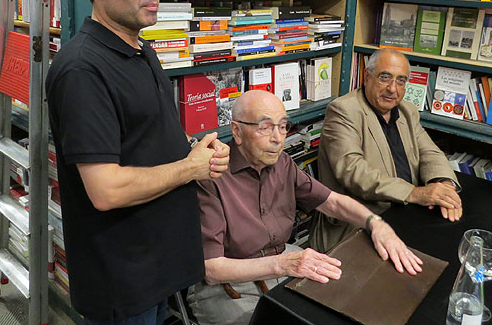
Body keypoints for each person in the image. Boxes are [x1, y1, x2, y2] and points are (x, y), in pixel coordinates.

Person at [45, 0, 230, 324]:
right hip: (124, 277)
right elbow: (106, 190)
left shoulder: (140, 47)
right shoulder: (82, 70)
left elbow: (146, 133)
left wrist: (196, 149)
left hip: (159, 261)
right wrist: (190, 168)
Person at [188, 90, 423, 325]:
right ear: (237, 131)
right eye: (265, 127)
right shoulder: (211, 175)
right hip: (227, 283)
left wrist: (376, 224)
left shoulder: (282, 163)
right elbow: (212, 269)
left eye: (283, 127)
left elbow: (331, 201)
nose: (278, 139)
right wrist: (282, 265)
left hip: (279, 261)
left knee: (343, 304)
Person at [310, 49, 462, 253]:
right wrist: (414, 193)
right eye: (385, 77)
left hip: (407, 214)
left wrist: (444, 187)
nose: (392, 89)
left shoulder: (407, 111)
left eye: (401, 81)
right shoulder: (343, 111)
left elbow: (430, 152)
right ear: (367, 77)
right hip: (360, 223)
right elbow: (353, 171)